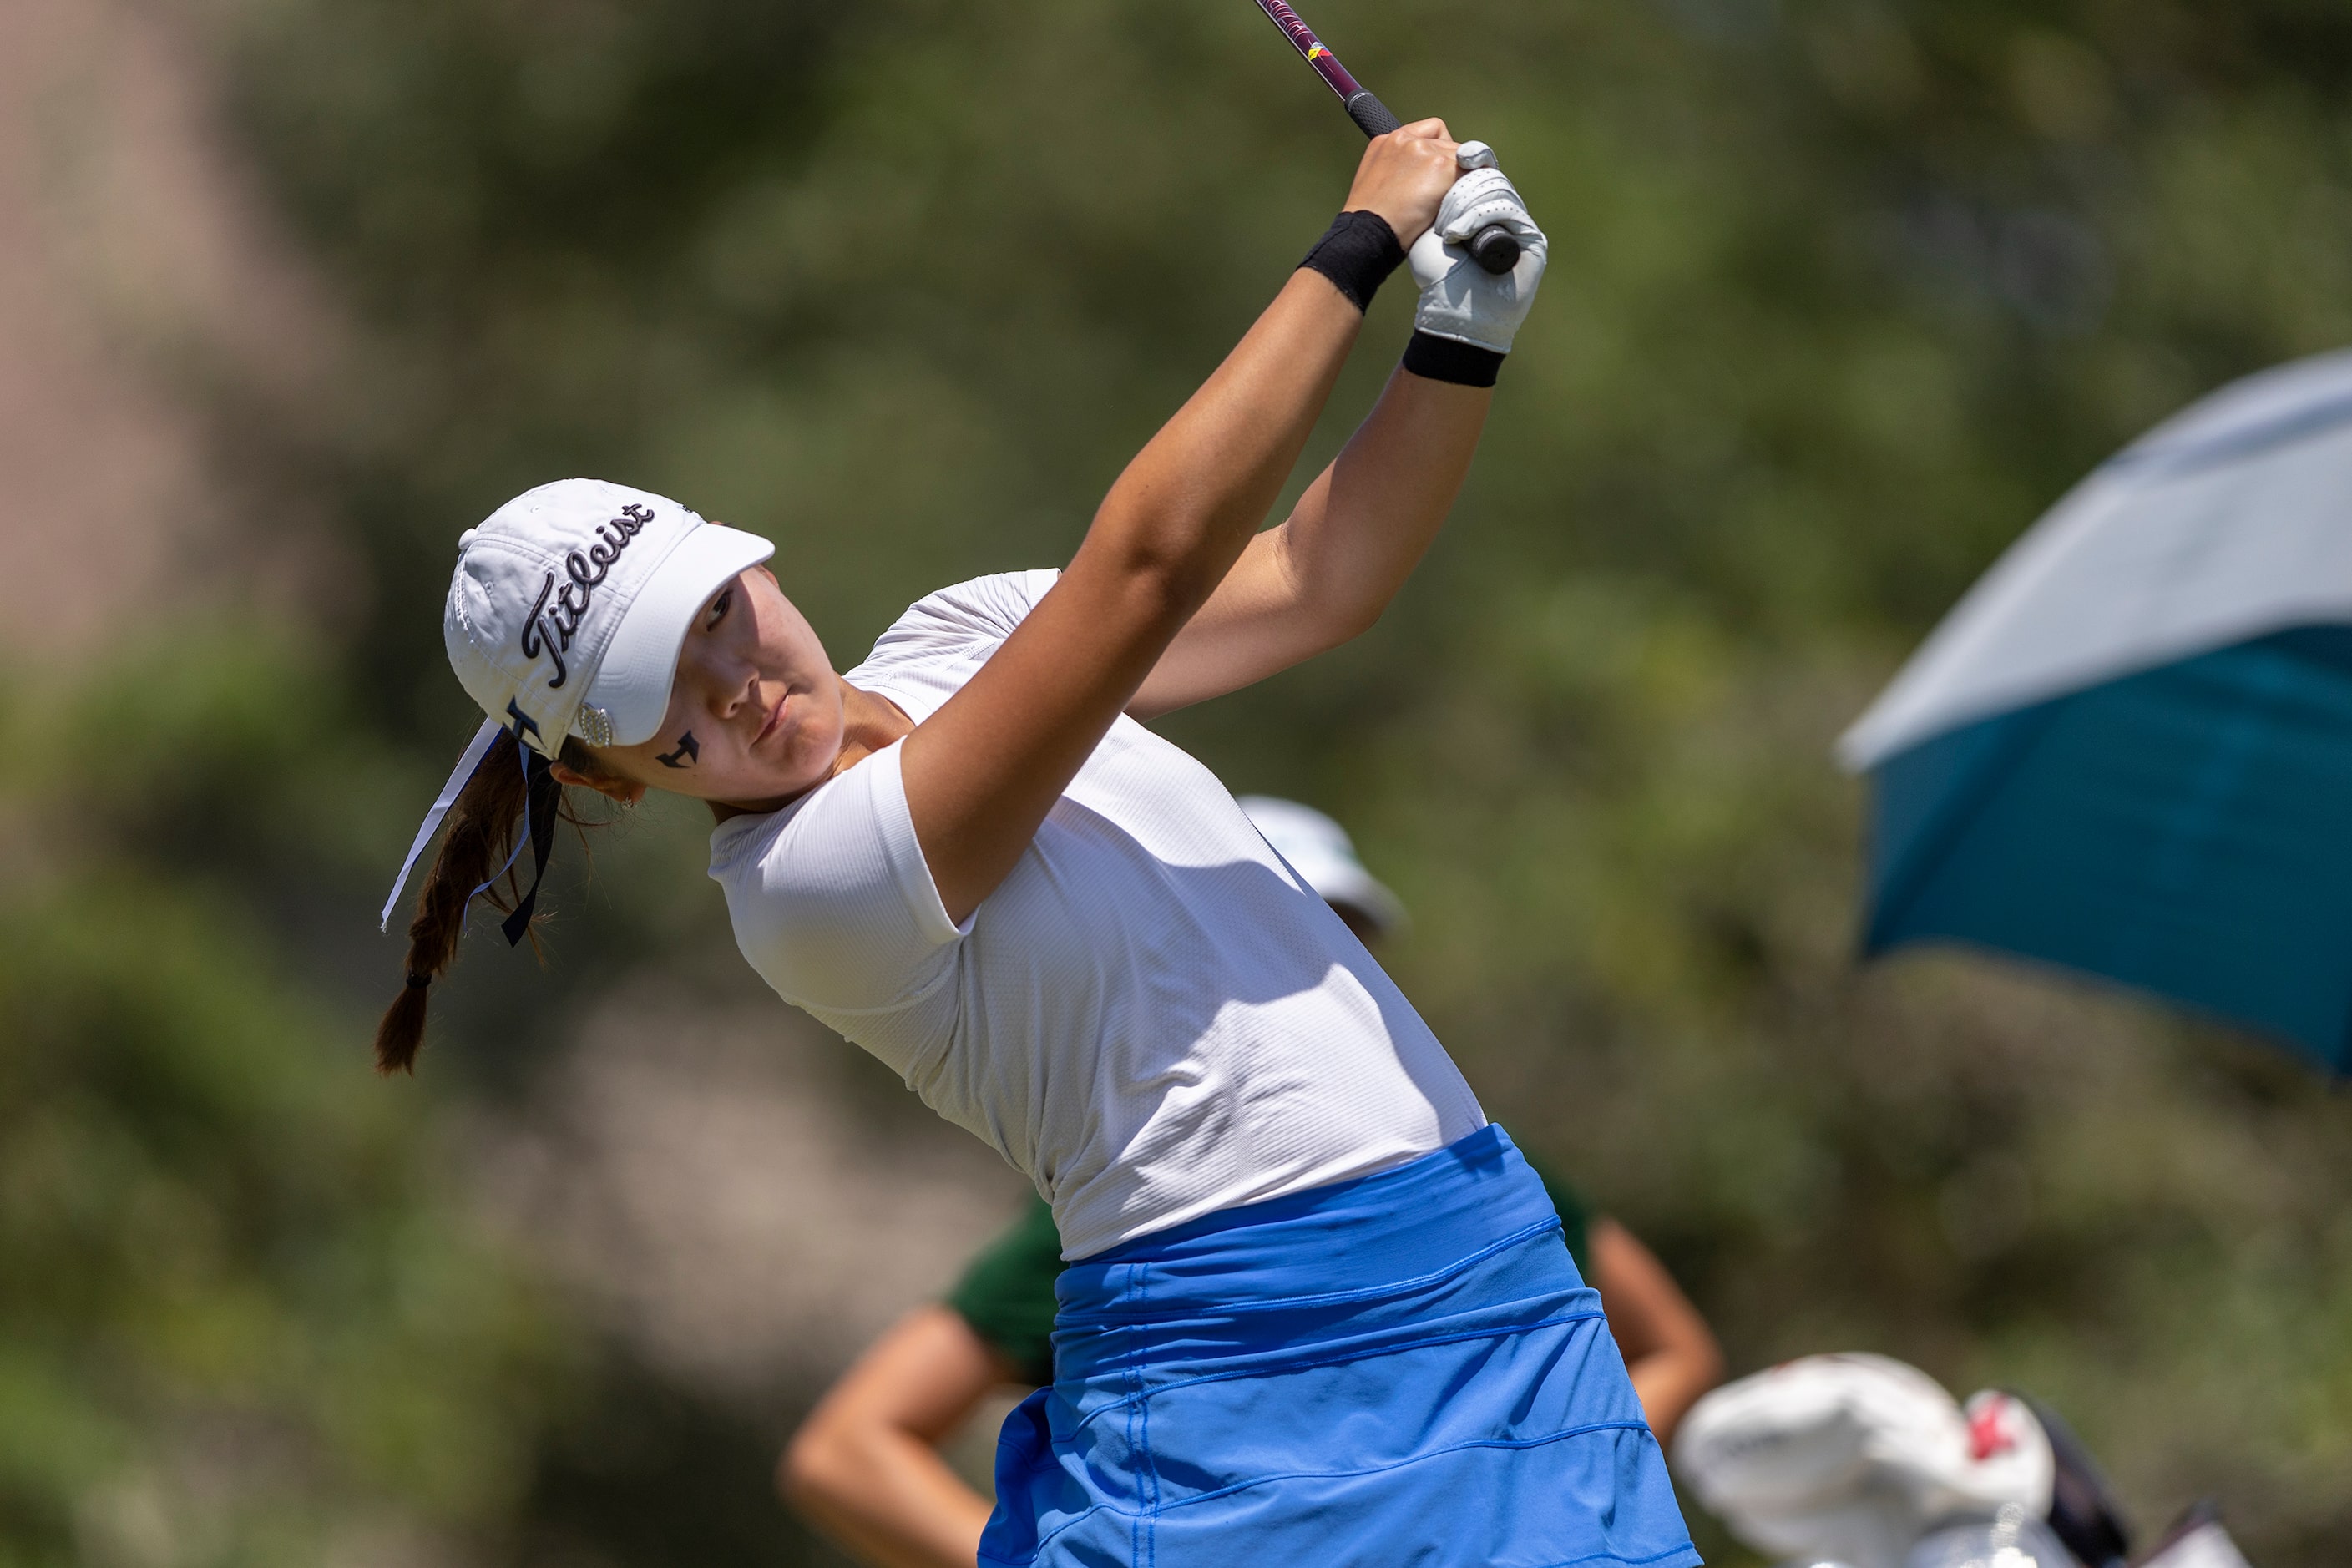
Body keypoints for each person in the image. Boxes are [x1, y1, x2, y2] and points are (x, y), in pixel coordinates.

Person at [378, 119, 1698, 1568]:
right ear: (616, 777)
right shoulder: (807, 888)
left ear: (747, 561)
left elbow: (1317, 579)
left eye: (714, 623)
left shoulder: (959, 629)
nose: (736, 695)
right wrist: (1359, 244)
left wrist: (1460, 328)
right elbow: (1142, 570)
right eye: (667, 717)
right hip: (1244, 1362)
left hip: (1485, 1267)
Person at [781, 800, 1726, 1568]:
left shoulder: (1482, 1179)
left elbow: (1671, 1349)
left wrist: (1525, 1480)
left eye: (1341, 940)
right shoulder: (1123, 1234)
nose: (1315, 972)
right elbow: (850, 1451)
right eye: (1290, 933)